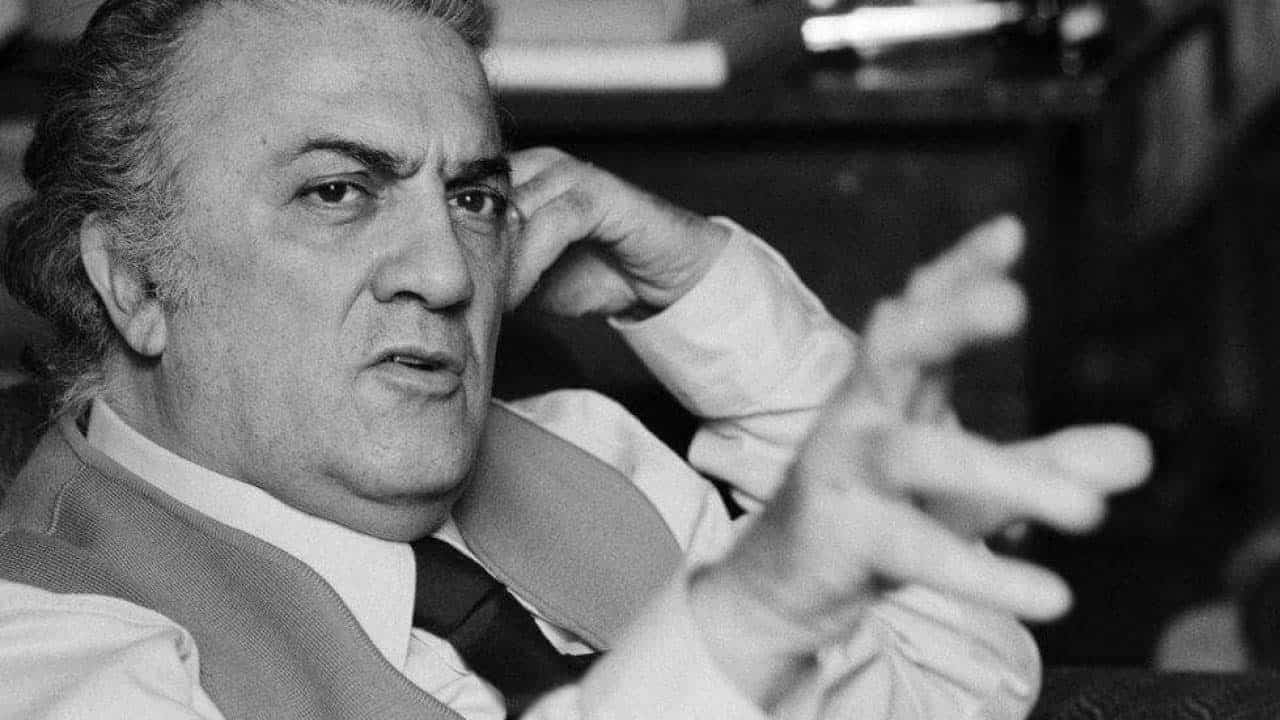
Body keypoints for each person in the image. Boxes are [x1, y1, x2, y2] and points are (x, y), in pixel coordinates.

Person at [0, 1, 1152, 718]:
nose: (446, 272)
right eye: (338, 191)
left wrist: (701, 289)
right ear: (136, 283)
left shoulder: (582, 454)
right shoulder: (55, 648)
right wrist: (744, 623)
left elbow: (956, 693)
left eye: (472, 196)